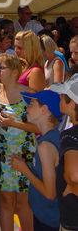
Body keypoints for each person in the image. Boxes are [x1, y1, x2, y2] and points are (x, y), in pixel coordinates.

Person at [0, 54, 37, 231]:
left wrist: (13, 123)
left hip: (24, 156)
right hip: (3, 157)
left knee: (22, 203)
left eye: (1, 68)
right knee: (5, 202)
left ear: (14, 71)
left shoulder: (28, 94)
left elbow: (40, 128)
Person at [11, 90, 62, 231]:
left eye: (31, 104)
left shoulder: (45, 146)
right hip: (44, 216)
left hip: (48, 220)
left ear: (44, 109)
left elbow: (50, 193)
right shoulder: (48, 138)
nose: (27, 108)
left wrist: (24, 169)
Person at [50, 74, 78, 231]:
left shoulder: (70, 135)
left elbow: (74, 175)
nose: (59, 98)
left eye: (63, 96)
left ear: (72, 103)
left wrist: (74, 187)